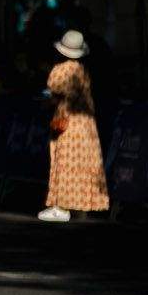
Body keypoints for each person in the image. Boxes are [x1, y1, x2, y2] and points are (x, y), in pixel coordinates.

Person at [40, 30, 110, 223]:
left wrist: (45, 103)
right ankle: (82, 205)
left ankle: (60, 207)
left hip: (67, 122)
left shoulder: (60, 70)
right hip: (86, 123)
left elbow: (52, 95)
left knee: (64, 162)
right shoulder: (82, 70)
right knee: (83, 165)